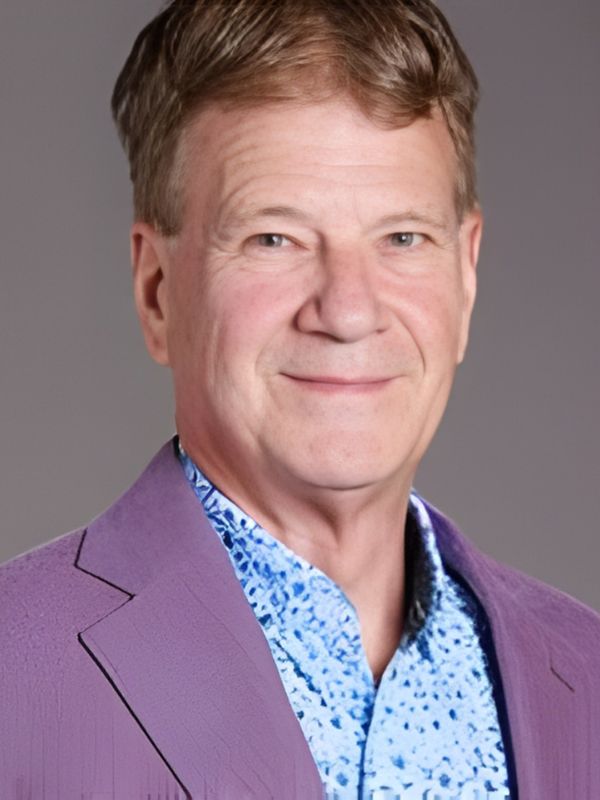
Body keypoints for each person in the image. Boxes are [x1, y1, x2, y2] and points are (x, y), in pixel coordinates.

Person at [1, 1, 598, 797]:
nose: (348, 310)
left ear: (466, 273)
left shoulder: (586, 674)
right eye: (272, 239)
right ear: (157, 293)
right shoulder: (14, 673)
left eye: (403, 238)